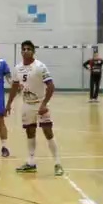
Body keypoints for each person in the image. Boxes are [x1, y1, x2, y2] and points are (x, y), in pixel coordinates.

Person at [7, 41, 64, 176]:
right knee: (30, 132)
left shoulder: (40, 66)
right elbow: (15, 86)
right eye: (24, 49)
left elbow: (51, 86)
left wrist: (44, 104)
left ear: (33, 52)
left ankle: (57, 163)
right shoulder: (18, 68)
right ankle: (31, 163)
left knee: (48, 132)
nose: (26, 51)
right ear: (21, 52)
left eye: (29, 49)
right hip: (27, 104)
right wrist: (9, 103)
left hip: (40, 104)